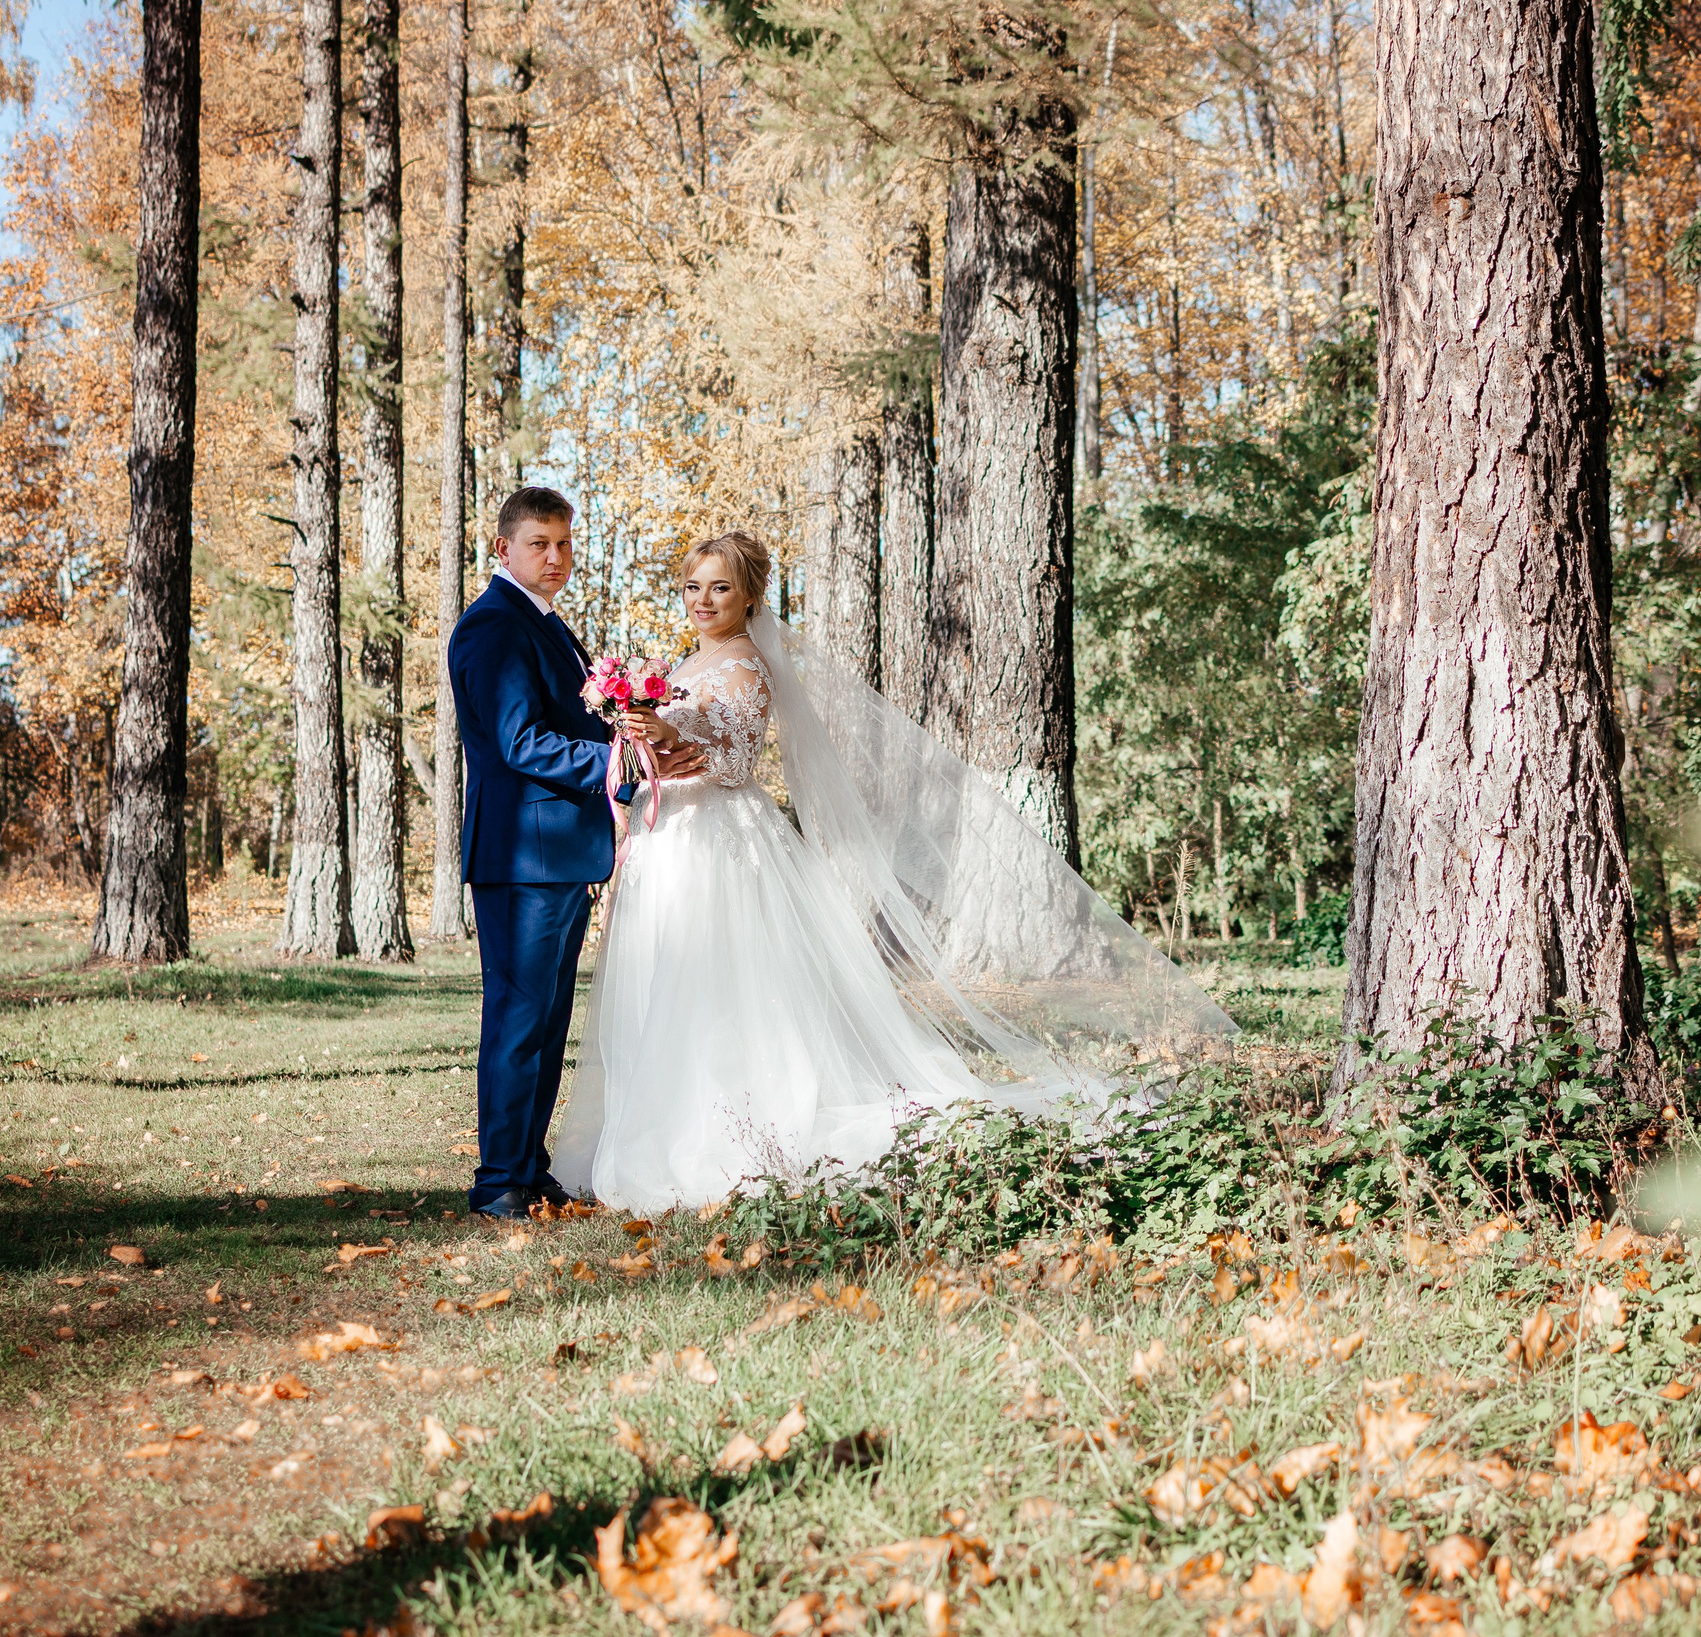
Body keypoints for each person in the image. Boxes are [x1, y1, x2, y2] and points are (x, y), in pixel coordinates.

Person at [550, 529, 1235, 1214]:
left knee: (718, 985)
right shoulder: (687, 663)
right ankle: (661, 1113)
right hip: (670, 838)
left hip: (723, 845)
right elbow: (673, 755)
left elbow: (733, 764)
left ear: (750, 593)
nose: (704, 599)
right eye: (694, 585)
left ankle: (723, 1127)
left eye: (721, 586)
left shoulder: (747, 667)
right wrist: (642, 733)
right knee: (667, 977)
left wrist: (671, 732)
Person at [446, 485, 700, 1219]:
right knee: (519, 1018)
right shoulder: (494, 626)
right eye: (539, 544)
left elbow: (580, 718)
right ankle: (498, 1181)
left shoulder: (547, 623)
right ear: (504, 548)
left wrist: (637, 740)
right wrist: (617, 766)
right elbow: (519, 740)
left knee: (547, 1021)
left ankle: (528, 1168)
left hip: (560, 854)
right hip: (523, 855)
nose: (555, 557)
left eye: (563, 543)